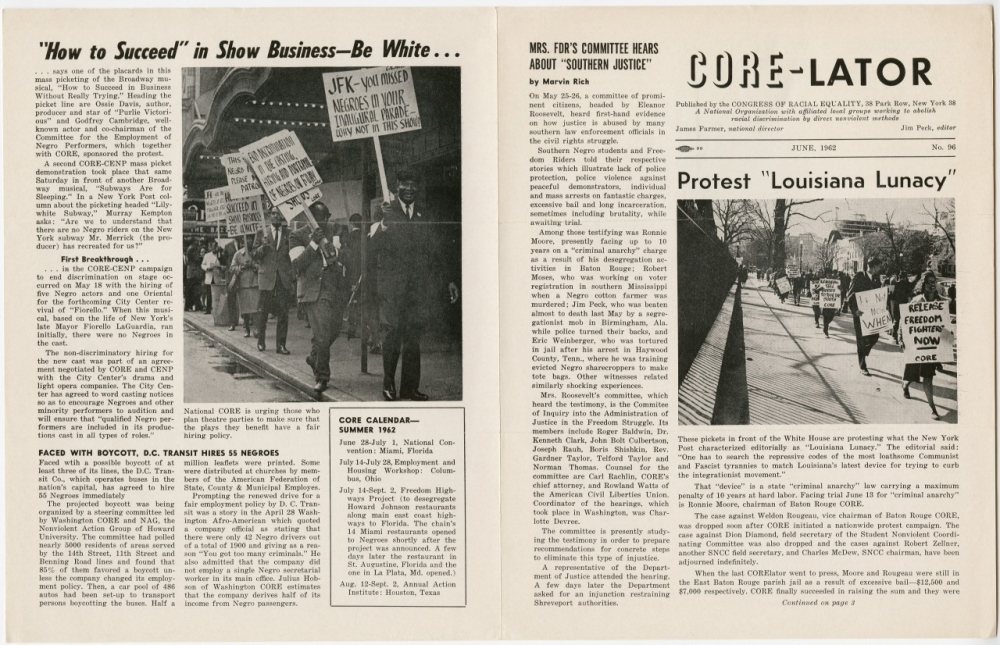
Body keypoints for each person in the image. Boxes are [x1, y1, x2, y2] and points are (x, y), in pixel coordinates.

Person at [370, 169, 459, 401]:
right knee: (391, 336)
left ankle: (410, 387)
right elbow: (372, 246)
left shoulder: (424, 213)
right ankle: (388, 384)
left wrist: (449, 280)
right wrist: (385, 223)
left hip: (417, 288)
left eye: (413, 184)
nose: (409, 189)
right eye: (404, 184)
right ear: (396, 186)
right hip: (392, 288)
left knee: (413, 338)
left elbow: (435, 251)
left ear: (417, 188)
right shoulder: (384, 210)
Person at [291, 202, 348, 395]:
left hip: (334, 288)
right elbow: (298, 265)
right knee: (323, 332)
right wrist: (314, 244)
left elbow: (344, 254)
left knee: (335, 329)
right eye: (317, 218)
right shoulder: (297, 235)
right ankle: (322, 377)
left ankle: (314, 357)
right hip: (313, 291)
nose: (322, 222)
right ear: (310, 219)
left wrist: (337, 251)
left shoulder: (335, 229)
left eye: (325, 217)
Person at [901, 270, 944, 420]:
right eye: (929, 282)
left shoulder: (940, 303)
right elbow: (905, 321)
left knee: (928, 377)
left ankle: (933, 408)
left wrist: (945, 348)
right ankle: (905, 385)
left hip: (931, 347)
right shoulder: (917, 301)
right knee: (912, 375)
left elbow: (943, 327)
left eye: (934, 282)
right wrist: (901, 339)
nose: (933, 285)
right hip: (916, 346)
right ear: (924, 284)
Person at [252, 211, 294, 354]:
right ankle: (261, 341)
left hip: (283, 278)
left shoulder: (289, 233)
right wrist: (262, 247)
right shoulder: (261, 233)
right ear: (270, 215)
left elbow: (293, 255)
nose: (277, 216)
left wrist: (291, 275)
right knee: (263, 312)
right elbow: (254, 255)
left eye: (279, 214)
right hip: (266, 278)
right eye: (274, 213)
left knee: (283, 312)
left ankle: (281, 345)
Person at [847, 257, 883, 376]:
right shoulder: (859, 276)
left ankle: (864, 353)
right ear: (873, 266)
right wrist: (854, 310)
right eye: (878, 267)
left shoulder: (877, 278)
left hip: (872, 314)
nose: (879, 269)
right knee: (861, 340)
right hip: (860, 314)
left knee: (875, 335)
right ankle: (863, 365)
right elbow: (850, 294)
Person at [229, 237, 260, 337]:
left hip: (255, 283)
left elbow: (261, 265)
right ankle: (247, 329)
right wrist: (241, 267)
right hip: (242, 285)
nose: (249, 242)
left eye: (251, 240)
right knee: (245, 309)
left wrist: (253, 265)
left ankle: (256, 328)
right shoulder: (238, 254)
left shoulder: (255, 253)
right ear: (243, 242)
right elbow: (232, 268)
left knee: (255, 308)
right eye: (247, 240)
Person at [200, 244, 221, 315]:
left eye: (216, 247)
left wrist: (219, 266)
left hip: (216, 275)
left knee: (217, 293)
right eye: (213, 247)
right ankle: (208, 309)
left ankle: (216, 308)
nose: (214, 248)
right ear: (211, 248)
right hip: (209, 275)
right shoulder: (207, 255)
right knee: (209, 293)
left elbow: (222, 263)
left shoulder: (219, 255)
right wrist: (207, 268)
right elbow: (202, 264)